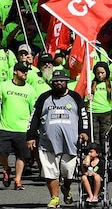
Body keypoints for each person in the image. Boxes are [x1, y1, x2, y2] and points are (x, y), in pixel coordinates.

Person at [26, 70, 89, 208]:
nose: (58, 82)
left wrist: (84, 132)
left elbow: (83, 116)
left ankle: (66, 188)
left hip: (70, 143)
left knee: (68, 171)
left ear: (66, 82)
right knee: (50, 172)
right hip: (47, 143)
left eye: (61, 80)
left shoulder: (75, 97)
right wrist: (30, 136)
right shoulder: (44, 97)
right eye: (56, 80)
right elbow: (34, 118)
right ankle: (54, 198)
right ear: (52, 82)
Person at [0, 62, 36, 190]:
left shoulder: (30, 89)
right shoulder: (4, 86)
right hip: (5, 127)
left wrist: (32, 129)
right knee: (2, 153)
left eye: (26, 71)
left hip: (22, 128)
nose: (25, 73)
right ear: (15, 72)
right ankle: (6, 168)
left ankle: (18, 180)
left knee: (21, 156)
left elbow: (33, 110)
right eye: (22, 71)